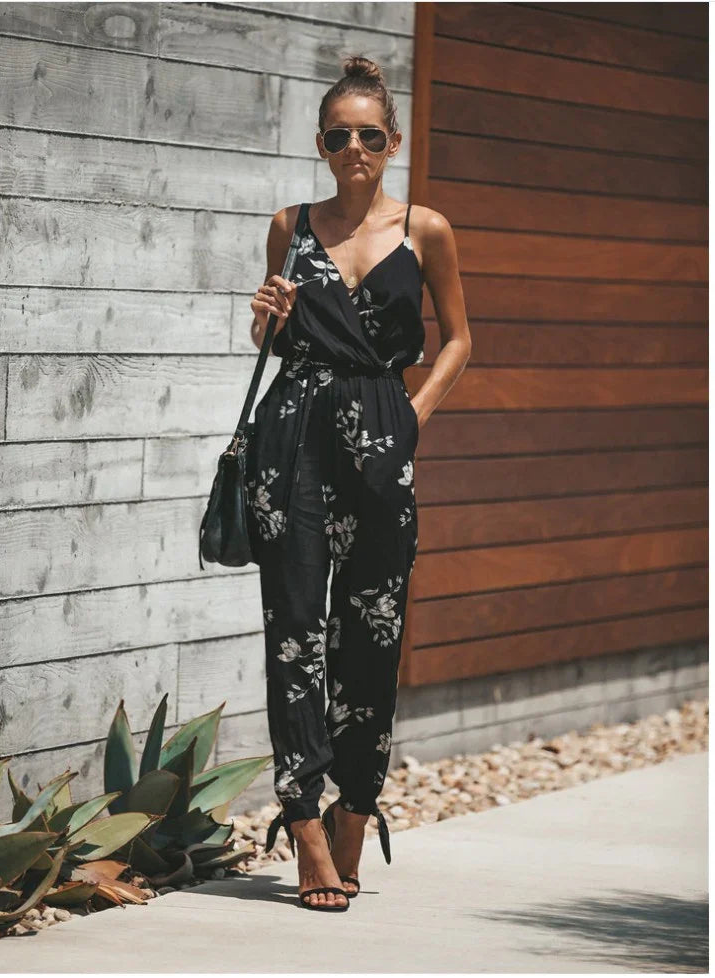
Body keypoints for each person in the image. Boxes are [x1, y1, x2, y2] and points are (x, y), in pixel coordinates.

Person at [247, 55, 471, 911]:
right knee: (295, 628)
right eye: (338, 136)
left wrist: (411, 417)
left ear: (393, 142)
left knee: (373, 630)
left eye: (369, 136)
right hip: (293, 439)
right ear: (320, 144)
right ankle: (304, 819)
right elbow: (271, 342)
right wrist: (263, 321)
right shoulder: (290, 224)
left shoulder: (426, 229)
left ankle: (355, 805)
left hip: (382, 434)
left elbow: (458, 339)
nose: (354, 150)